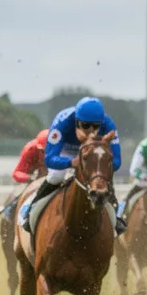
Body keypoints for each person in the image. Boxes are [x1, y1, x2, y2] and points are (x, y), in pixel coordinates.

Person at [22, 97, 124, 235]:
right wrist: (71, 163)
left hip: (92, 154)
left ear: (102, 122)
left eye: (96, 126)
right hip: (65, 151)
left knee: (102, 181)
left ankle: (115, 220)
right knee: (56, 176)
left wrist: (99, 167)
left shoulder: (109, 125)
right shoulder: (62, 122)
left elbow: (117, 162)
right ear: (76, 121)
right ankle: (31, 211)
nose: (91, 130)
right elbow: (50, 159)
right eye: (86, 125)